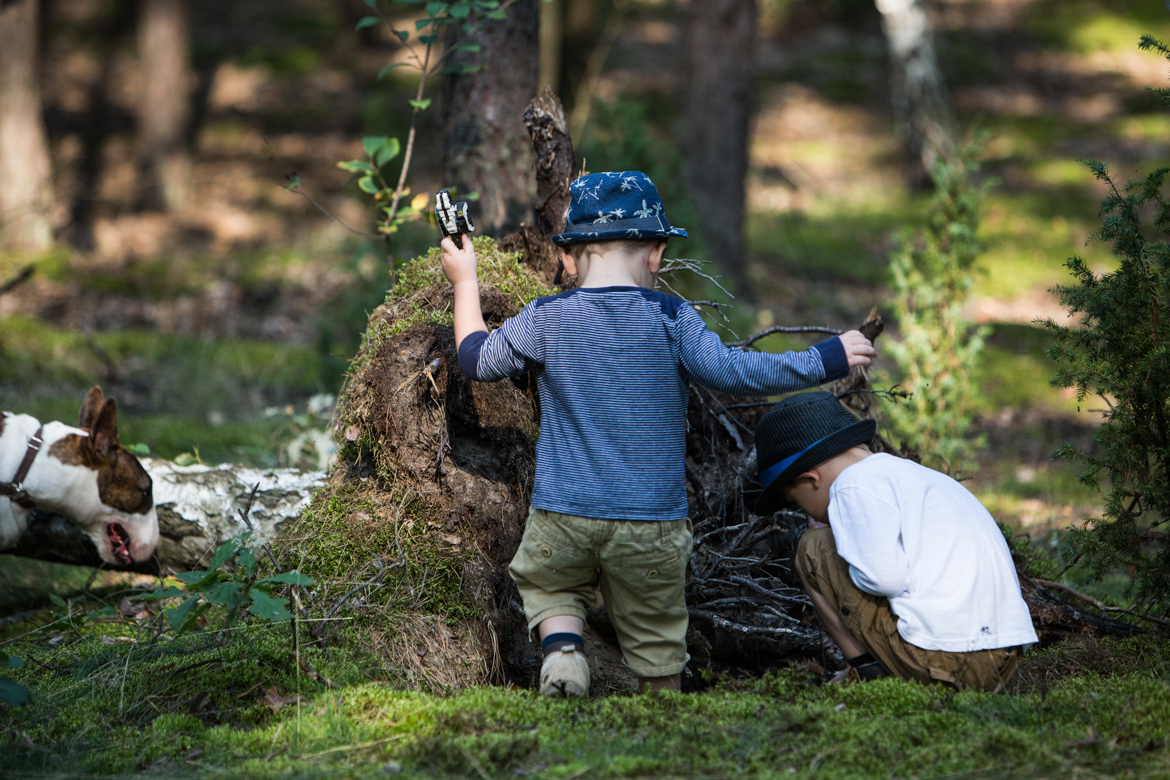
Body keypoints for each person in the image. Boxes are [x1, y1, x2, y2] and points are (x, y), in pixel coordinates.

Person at [440, 171, 877, 697]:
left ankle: (562, 655)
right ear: (655, 255)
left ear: (568, 259)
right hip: (650, 523)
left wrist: (466, 280)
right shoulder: (673, 317)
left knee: (553, 586)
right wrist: (825, 357)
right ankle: (663, 705)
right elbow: (737, 373)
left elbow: (477, 360)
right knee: (656, 632)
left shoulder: (547, 316)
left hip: (563, 513)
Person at [753, 391, 1038, 691]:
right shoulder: (916, 477)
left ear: (811, 480)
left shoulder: (852, 486)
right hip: (1004, 657)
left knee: (811, 549)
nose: (803, 511)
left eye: (795, 501)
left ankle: (866, 674)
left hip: (945, 660)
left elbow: (885, 579)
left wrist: (845, 553)